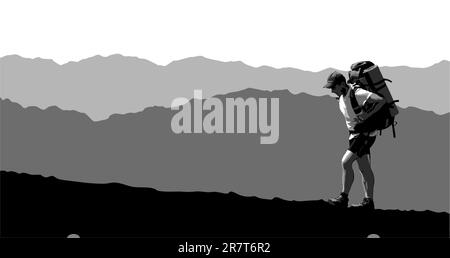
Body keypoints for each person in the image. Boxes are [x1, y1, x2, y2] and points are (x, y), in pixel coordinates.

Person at [323, 71, 386, 209]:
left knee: (345, 162)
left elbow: (381, 100)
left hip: (364, 134)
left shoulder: (357, 93)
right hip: (355, 135)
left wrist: (366, 114)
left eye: (333, 87)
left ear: (341, 84)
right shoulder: (342, 95)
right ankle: (368, 202)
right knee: (364, 168)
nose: (331, 90)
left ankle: (343, 198)